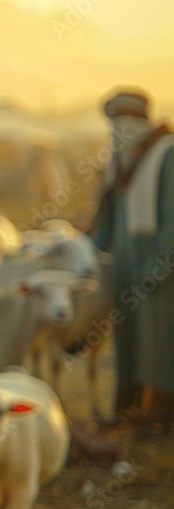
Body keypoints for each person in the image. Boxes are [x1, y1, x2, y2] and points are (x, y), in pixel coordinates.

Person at [88, 89, 174, 424]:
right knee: (127, 342)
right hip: (124, 265)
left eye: (123, 122)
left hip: (156, 266)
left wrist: (160, 266)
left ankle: (161, 419)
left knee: (159, 341)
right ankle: (128, 411)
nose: (116, 132)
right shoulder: (119, 159)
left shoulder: (166, 154)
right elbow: (107, 218)